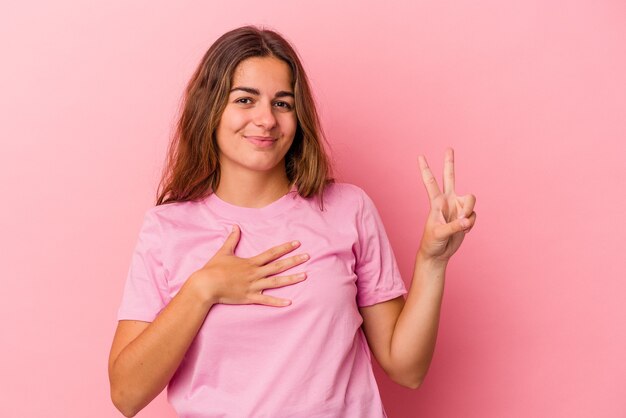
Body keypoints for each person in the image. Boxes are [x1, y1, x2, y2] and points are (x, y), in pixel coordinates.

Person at [108, 25, 476, 418]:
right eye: (245, 99)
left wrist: (432, 260)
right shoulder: (166, 229)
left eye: (282, 103)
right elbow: (126, 394)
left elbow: (407, 369)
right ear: (210, 108)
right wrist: (203, 288)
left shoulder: (347, 209)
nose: (266, 119)